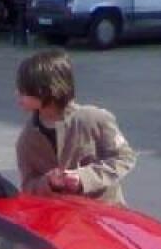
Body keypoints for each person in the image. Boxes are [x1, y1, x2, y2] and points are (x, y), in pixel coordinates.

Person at [13, 49, 135, 205]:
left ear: (46, 91)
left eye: (24, 91)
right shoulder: (27, 138)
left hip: (103, 215)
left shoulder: (94, 119)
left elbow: (124, 158)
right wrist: (49, 182)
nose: (17, 94)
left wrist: (84, 178)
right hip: (61, 221)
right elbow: (28, 186)